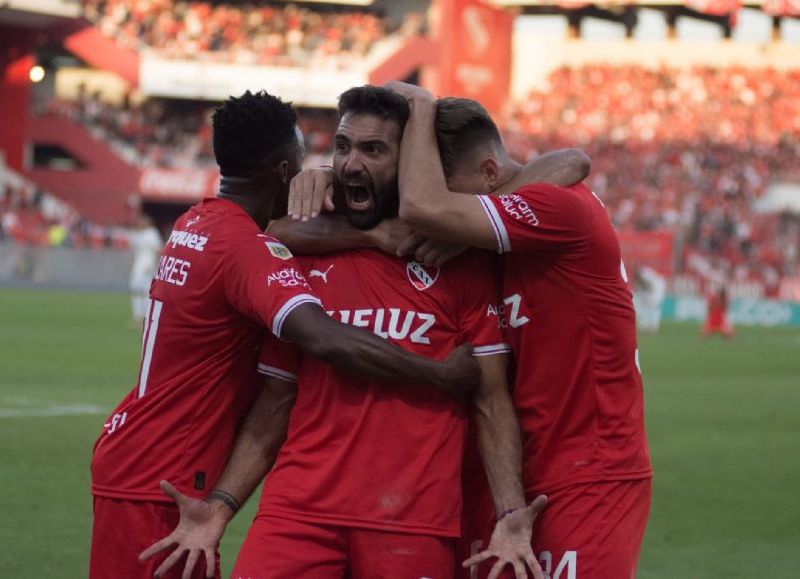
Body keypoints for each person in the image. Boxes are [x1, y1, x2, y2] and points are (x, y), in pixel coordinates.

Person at [141, 86, 546, 579]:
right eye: (342, 147)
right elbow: (275, 400)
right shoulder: (301, 259)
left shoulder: (456, 259)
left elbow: (490, 398)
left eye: (373, 150)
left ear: (412, 163)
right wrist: (221, 507)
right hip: (297, 514)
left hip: (411, 523)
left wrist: (510, 514)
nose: (352, 163)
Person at [379, 82, 653, 578]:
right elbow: (566, 159)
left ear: (488, 173)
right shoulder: (492, 243)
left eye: (452, 194)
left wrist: (420, 105)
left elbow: (423, 207)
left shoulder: (559, 210)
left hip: (589, 472)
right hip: (507, 473)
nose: (445, 225)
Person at [128, 215, 162, 326]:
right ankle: (137, 316)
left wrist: (155, 265)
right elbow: (134, 251)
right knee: (136, 290)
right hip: (138, 266)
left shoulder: (152, 234)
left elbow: (158, 249)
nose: (140, 223)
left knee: (146, 291)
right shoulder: (138, 235)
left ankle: (146, 317)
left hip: (148, 265)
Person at [634, 265, 667, 335]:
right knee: (645, 307)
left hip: (657, 287)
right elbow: (642, 287)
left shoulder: (645, 274)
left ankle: (653, 327)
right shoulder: (639, 276)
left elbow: (649, 286)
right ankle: (645, 326)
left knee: (654, 307)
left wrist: (646, 296)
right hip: (652, 289)